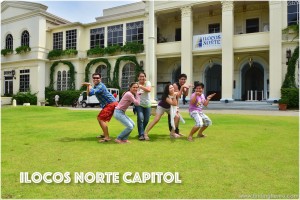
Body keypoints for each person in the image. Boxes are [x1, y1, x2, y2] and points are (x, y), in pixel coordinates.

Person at [82, 72, 118, 143]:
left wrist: (89, 85)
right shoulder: (96, 86)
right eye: (94, 78)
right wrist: (88, 86)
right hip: (109, 104)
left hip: (111, 104)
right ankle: (104, 134)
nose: (96, 79)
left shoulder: (100, 86)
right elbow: (89, 94)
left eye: (97, 78)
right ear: (92, 79)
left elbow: (92, 92)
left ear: (100, 79)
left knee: (100, 118)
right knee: (101, 119)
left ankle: (107, 137)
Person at [136, 72, 152, 140]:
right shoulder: (136, 84)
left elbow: (148, 90)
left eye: (143, 76)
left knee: (146, 120)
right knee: (140, 118)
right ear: (138, 77)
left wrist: (141, 86)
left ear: (145, 77)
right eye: (140, 76)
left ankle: (142, 131)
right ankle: (141, 134)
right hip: (139, 104)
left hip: (147, 104)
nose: (142, 78)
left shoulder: (148, 83)